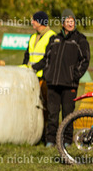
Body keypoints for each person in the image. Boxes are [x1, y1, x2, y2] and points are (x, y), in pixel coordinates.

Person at [32, 9, 90, 148]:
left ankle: (67, 142)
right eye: (67, 21)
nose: (70, 24)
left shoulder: (80, 40)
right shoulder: (54, 39)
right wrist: (34, 68)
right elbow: (46, 59)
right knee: (52, 114)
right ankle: (50, 141)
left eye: (72, 21)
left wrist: (75, 76)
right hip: (53, 83)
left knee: (68, 114)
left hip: (70, 85)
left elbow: (85, 60)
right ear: (62, 23)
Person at [22, 11, 56, 142]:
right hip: (31, 77)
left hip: (44, 78)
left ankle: (47, 135)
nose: (32, 22)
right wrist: (25, 69)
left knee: (46, 108)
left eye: (34, 20)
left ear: (40, 22)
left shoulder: (52, 37)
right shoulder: (33, 37)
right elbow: (27, 56)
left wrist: (34, 68)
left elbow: (48, 59)